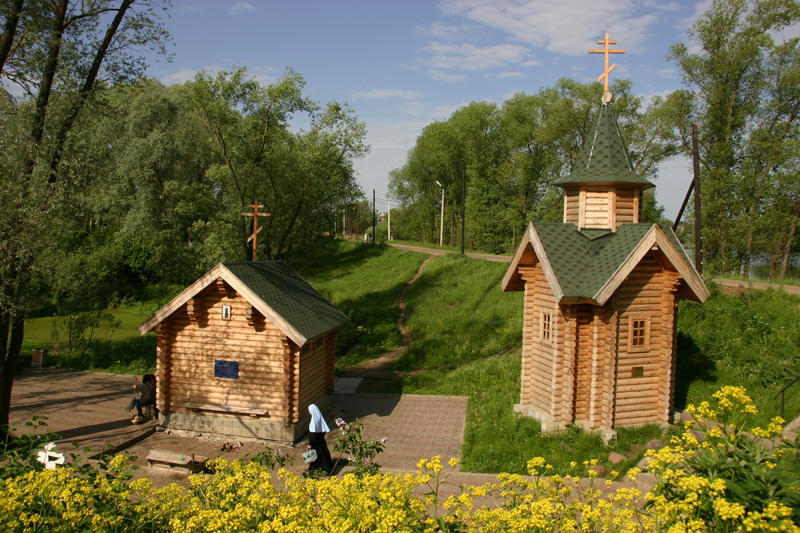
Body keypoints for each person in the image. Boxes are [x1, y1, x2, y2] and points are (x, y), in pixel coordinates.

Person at [306, 403, 333, 475]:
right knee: (323, 455)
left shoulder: (313, 422)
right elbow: (323, 430)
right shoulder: (319, 419)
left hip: (316, 443)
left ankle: (320, 470)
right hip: (321, 441)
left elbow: (312, 435)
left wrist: (310, 444)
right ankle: (325, 468)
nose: (308, 411)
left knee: (315, 456)